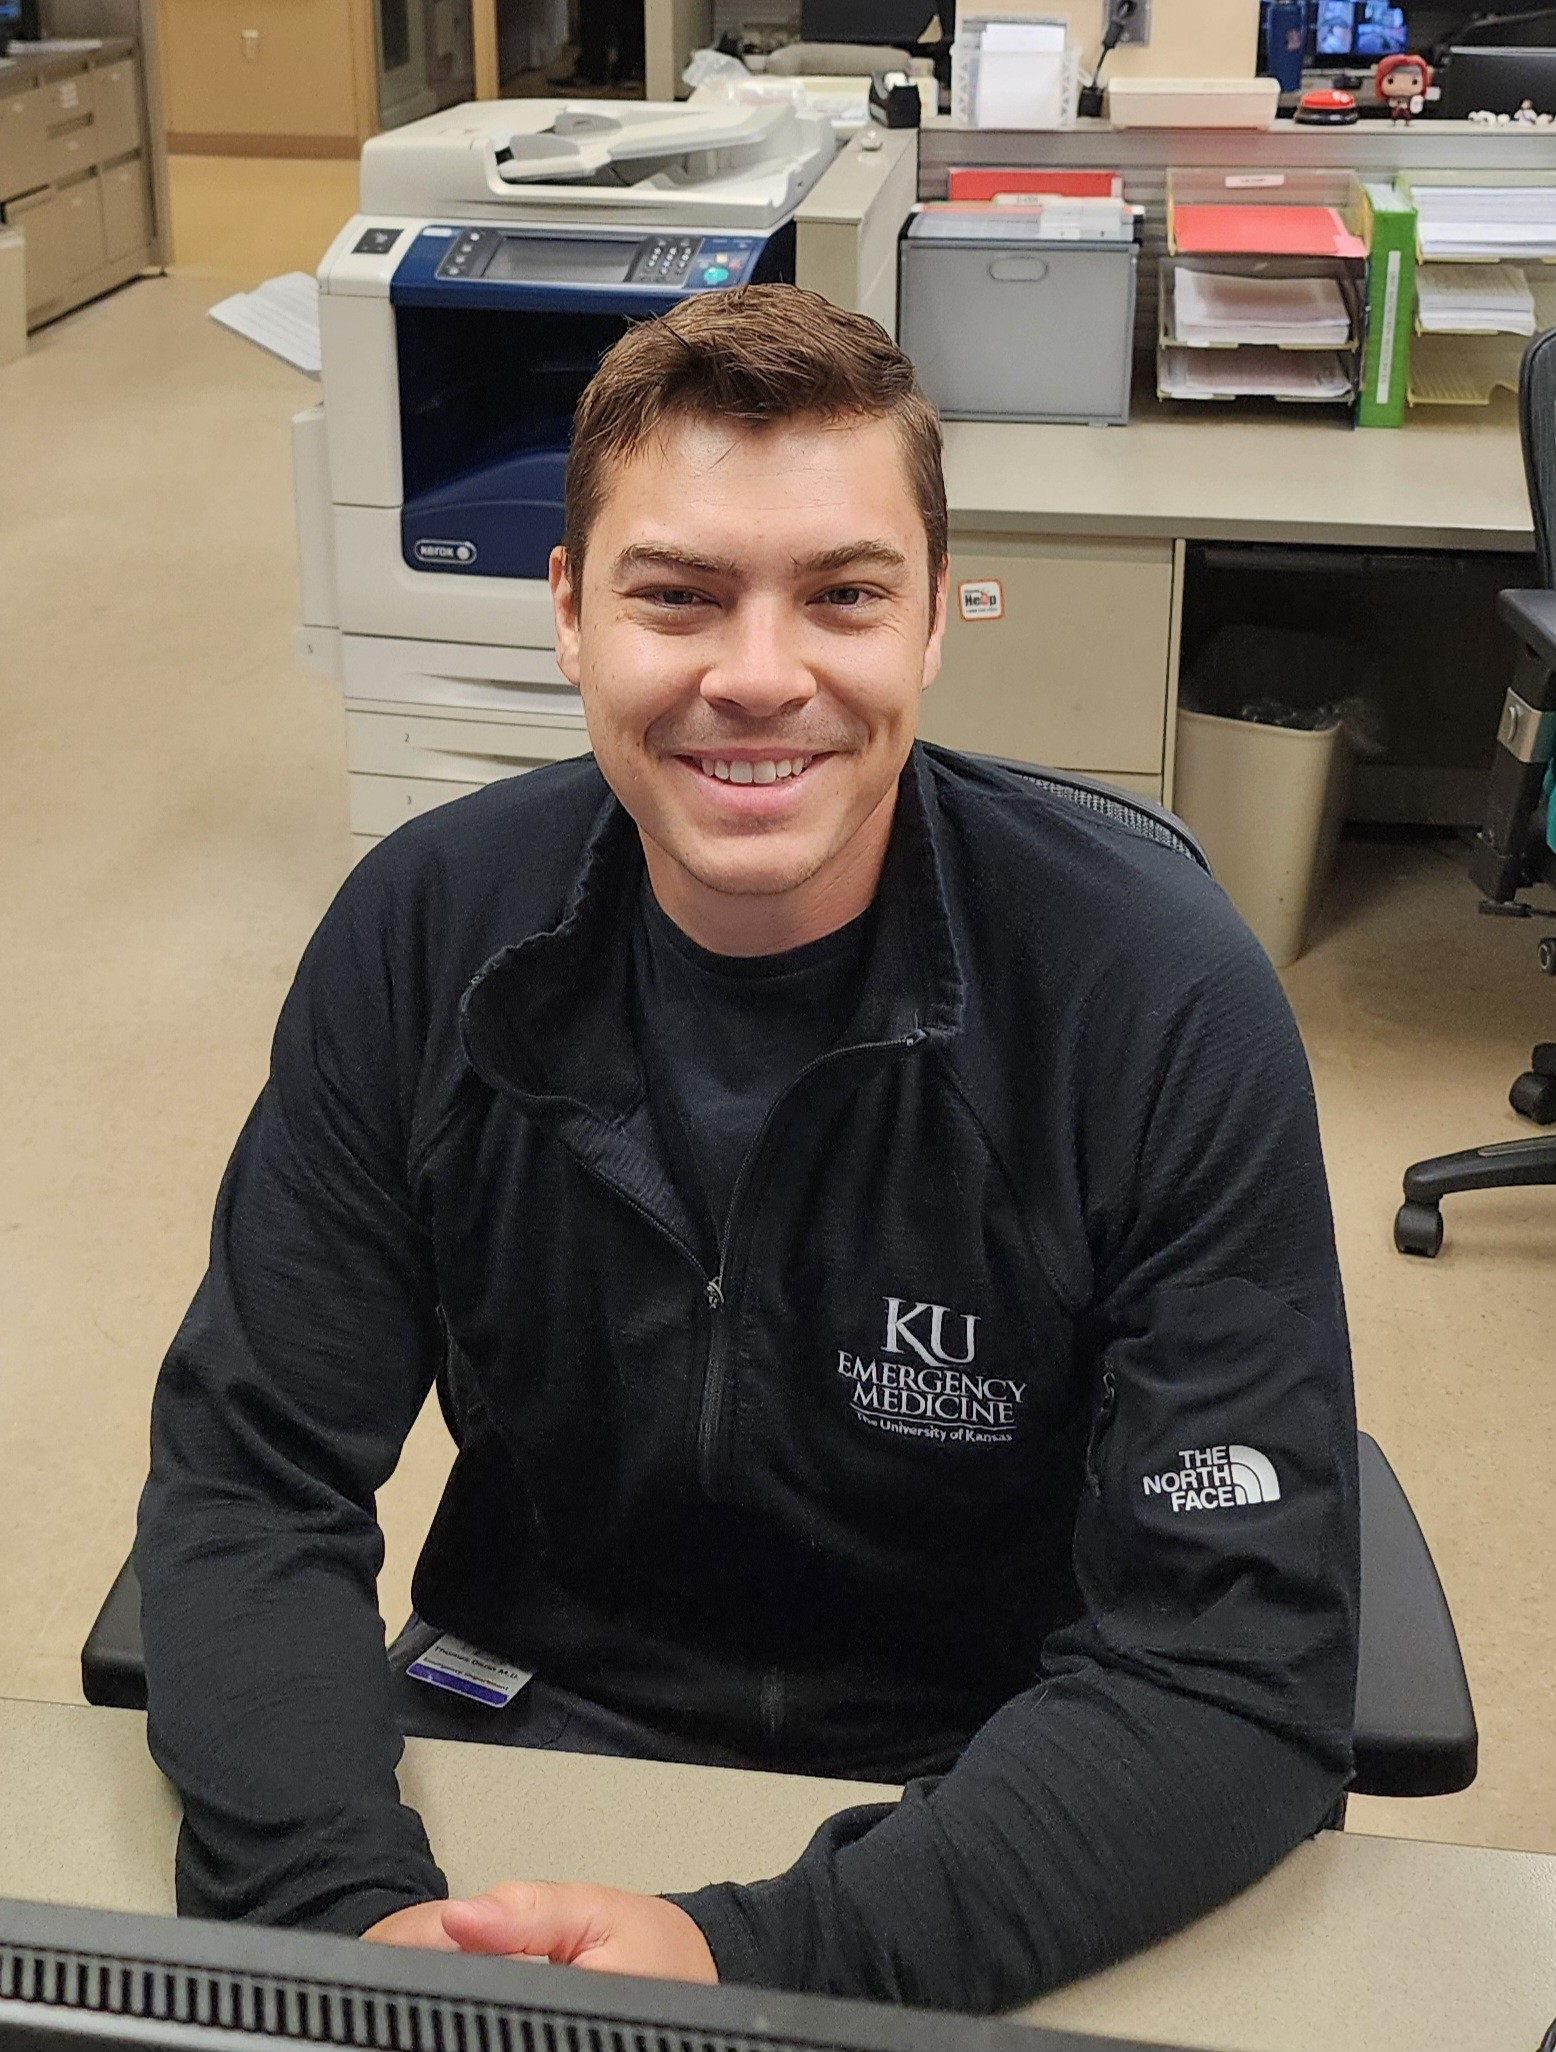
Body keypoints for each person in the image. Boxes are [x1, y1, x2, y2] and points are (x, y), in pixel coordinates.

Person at [138, 286, 1359, 2014]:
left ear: (935, 618)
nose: (761, 676)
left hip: (984, 1769)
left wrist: (754, 1963)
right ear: (571, 614)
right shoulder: (422, 935)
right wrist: (340, 1925)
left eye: (844, 595)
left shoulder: (1153, 998)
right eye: (678, 595)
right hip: (524, 1720)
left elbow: (1232, 1665)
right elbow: (253, 1481)